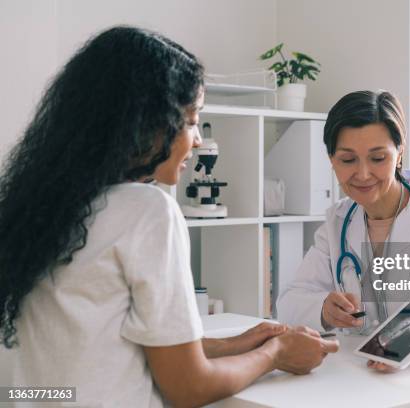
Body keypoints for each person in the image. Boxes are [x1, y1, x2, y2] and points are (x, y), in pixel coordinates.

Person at [0, 26, 338, 407]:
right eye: (191, 120)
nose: (196, 140)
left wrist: (236, 343)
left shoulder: (44, 210)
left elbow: (109, 345)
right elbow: (188, 387)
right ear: (145, 122)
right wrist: (274, 355)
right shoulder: (147, 211)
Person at [276, 90, 410, 371]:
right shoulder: (337, 222)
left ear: (399, 152)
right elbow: (288, 303)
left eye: (378, 158)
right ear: (331, 159)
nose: (363, 174)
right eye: (347, 160)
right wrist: (323, 309)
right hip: (366, 379)